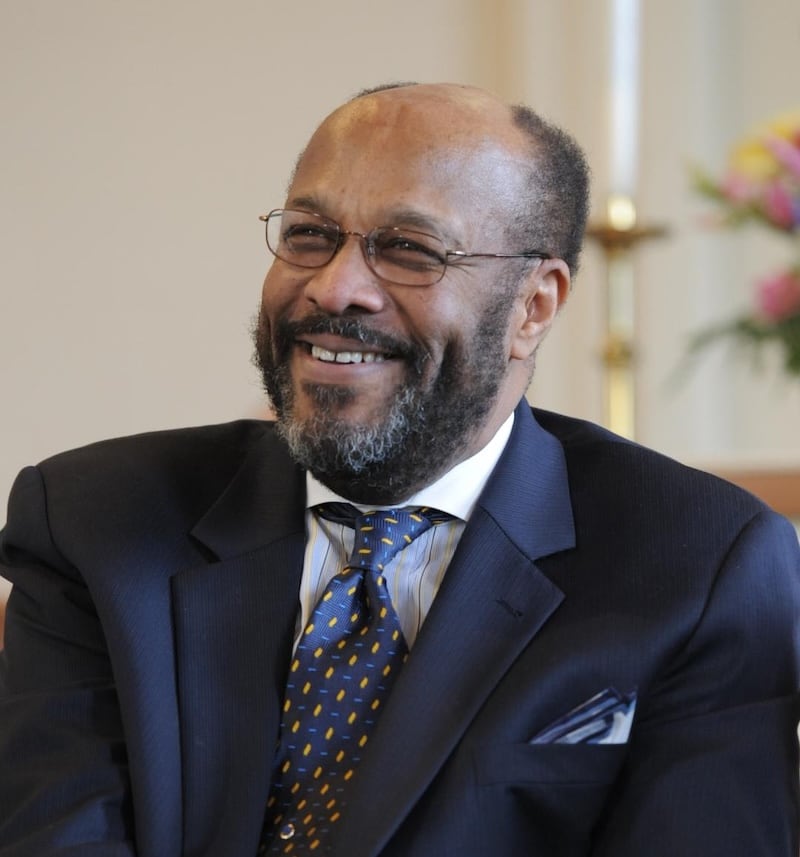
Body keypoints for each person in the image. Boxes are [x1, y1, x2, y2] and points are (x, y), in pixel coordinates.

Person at [0, 82, 798, 857]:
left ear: (533, 307)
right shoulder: (94, 523)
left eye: (410, 249)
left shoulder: (699, 569)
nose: (334, 287)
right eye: (309, 234)